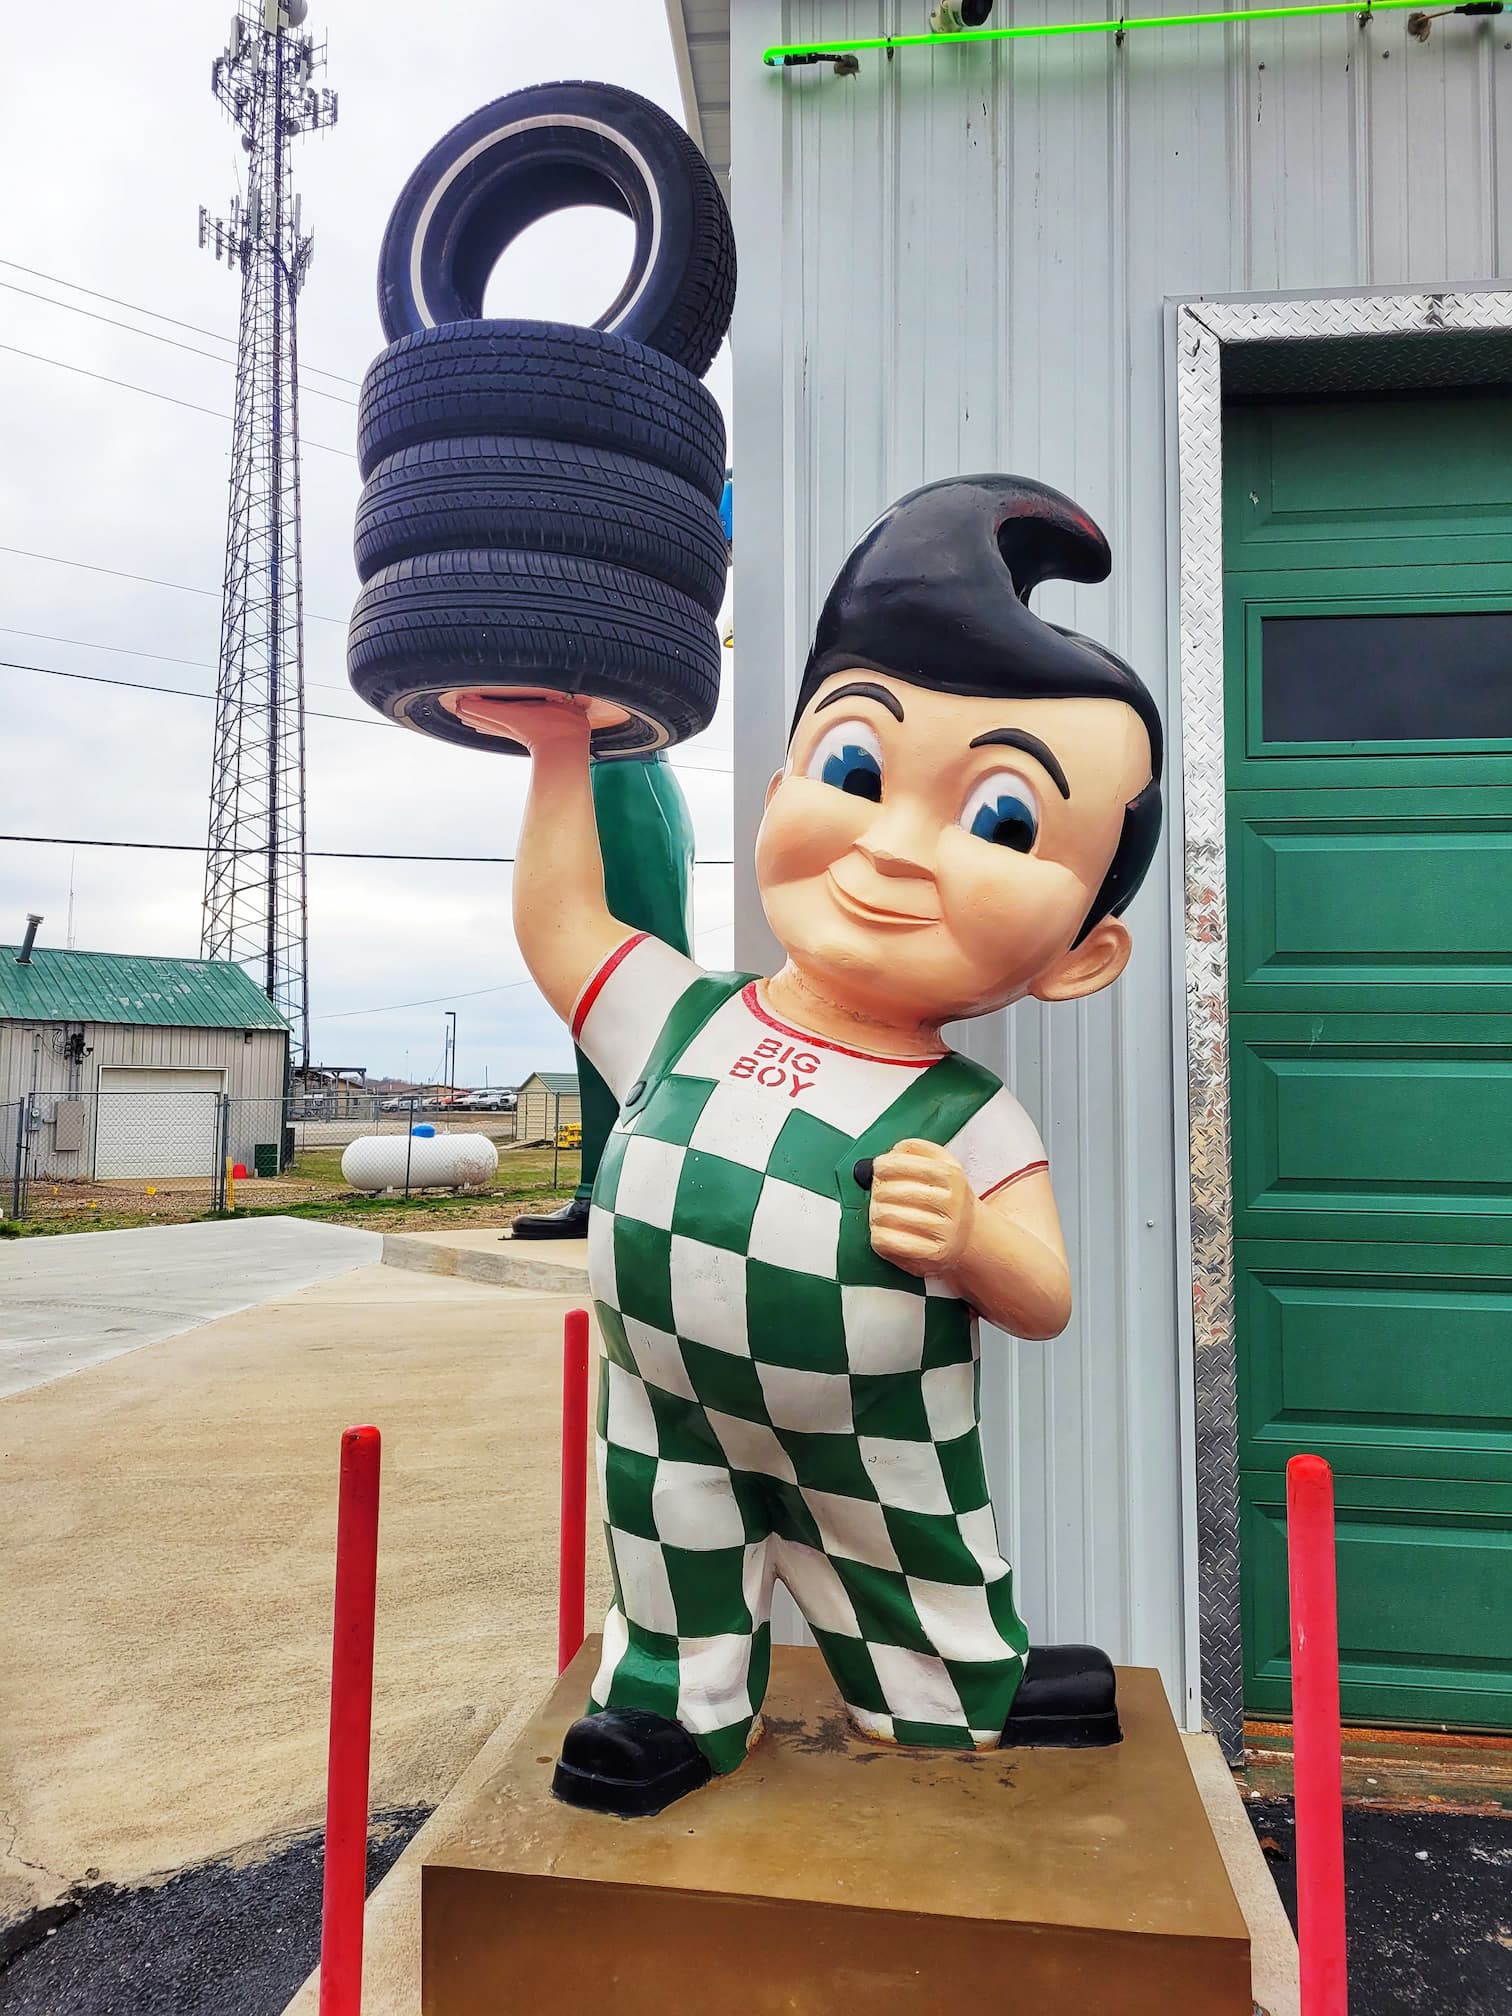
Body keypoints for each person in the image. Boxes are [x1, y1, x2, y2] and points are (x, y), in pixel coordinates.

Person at [457, 474, 1163, 1818]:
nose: (895, 850)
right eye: (855, 769)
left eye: (1001, 821)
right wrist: (560, 751)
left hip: (875, 1428)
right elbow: (562, 930)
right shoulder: (684, 1016)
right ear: (787, 781)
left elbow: (1047, 1295)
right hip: (672, 1411)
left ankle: (964, 1687)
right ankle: (675, 1709)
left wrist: (968, 1240)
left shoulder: (967, 1115)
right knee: (672, 1558)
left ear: (1085, 956)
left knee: (917, 1560)